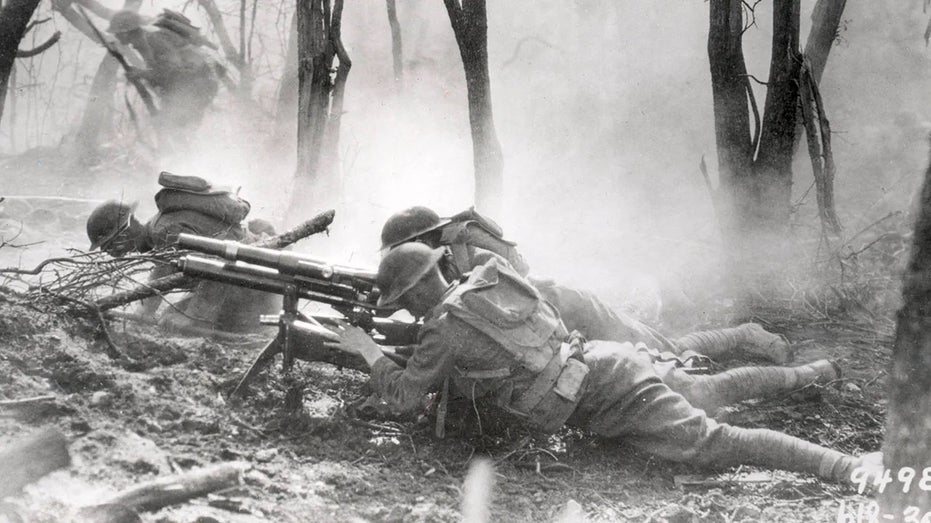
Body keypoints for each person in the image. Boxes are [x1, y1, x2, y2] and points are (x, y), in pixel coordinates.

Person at [324, 243, 875, 485]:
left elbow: (402, 397)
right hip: (604, 361)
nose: (407, 310)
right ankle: (812, 373)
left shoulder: (443, 330)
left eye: (403, 302)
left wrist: (367, 350)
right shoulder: (484, 279)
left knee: (712, 441)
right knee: (711, 389)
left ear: (415, 295)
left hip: (602, 393)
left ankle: (850, 469)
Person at [379, 206, 793, 366]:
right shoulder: (433, 265)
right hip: (551, 332)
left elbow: (516, 278)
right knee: (655, 355)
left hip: (566, 308)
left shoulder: (466, 240)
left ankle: (746, 334)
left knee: (664, 348)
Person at [85, 172, 277, 333]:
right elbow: (161, 275)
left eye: (109, 246)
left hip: (258, 284)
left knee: (182, 325)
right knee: (170, 317)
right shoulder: (158, 231)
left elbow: (216, 265)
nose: (112, 253)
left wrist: (194, 316)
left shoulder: (165, 231)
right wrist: (143, 312)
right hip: (244, 280)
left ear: (122, 235)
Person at [103, 8, 219, 132]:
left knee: (177, 129)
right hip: (190, 86)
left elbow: (172, 68)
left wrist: (141, 74)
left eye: (117, 32)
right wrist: (139, 75)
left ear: (126, 31)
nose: (116, 35)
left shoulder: (153, 38)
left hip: (196, 85)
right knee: (173, 129)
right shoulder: (143, 41)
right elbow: (161, 70)